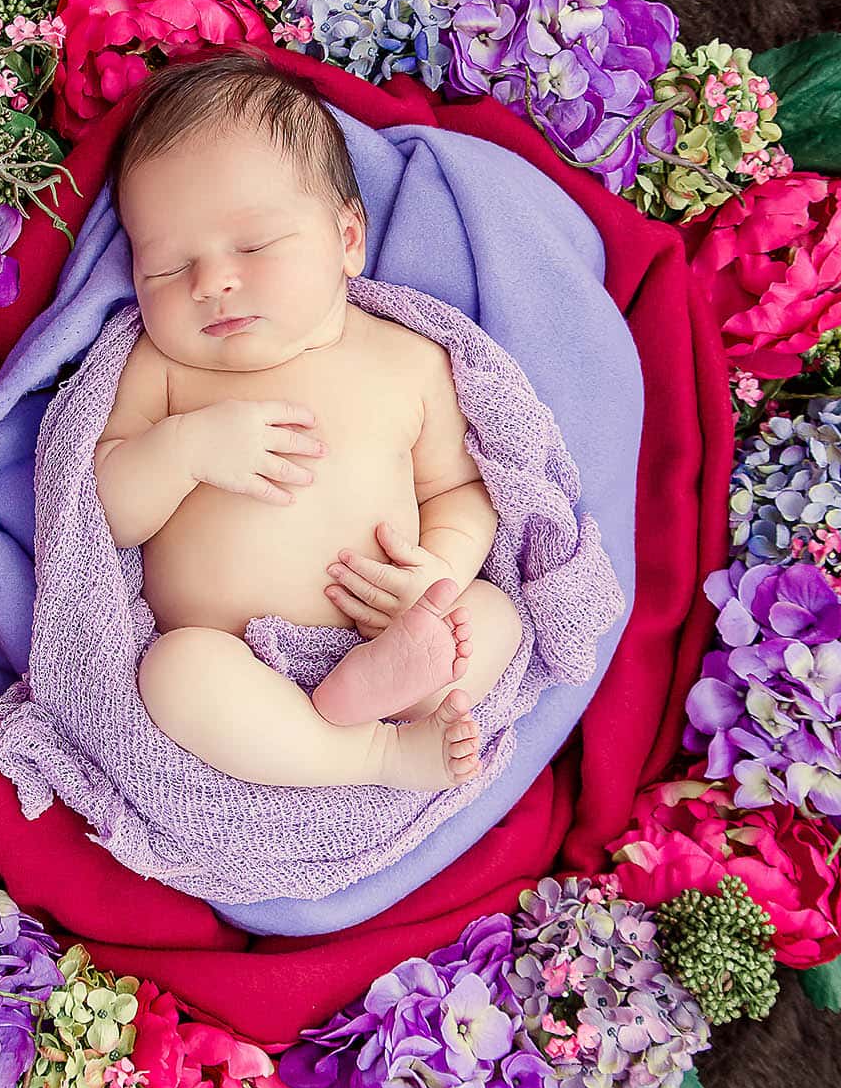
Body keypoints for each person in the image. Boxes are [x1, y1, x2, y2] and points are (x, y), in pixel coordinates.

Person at [91, 50, 526, 791]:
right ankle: (375, 757)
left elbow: (461, 490)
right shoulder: (163, 368)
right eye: (164, 267)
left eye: (253, 245)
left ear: (348, 240)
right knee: (174, 674)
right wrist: (183, 449)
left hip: (391, 630)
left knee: (495, 618)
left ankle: (397, 690)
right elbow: (106, 510)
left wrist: (441, 572)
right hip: (232, 661)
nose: (211, 282)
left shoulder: (409, 360)